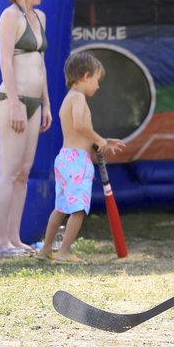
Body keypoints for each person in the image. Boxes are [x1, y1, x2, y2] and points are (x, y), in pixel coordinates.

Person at [0, 0, 53, 258]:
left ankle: (15, 239)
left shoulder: (39, 16)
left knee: (24, 173)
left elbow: (39, 65)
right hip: (11, 102)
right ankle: (0, 243)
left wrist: (47, 104)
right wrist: (15, 104)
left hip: (34, 104)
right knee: (9, 171)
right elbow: (5, 62)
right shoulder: (9, 16)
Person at [36, 53, 124, 263]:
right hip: (76, 162)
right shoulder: (77, 97)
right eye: (97, 80)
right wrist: (98, 138)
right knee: (78, 210)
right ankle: (64, 251)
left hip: (66, 158)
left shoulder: (71, 97)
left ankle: (46, 249)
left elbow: (80, 133)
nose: (98, 86)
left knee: (61, 208)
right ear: (85, 76)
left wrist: (104, 140)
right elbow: (80, 126)